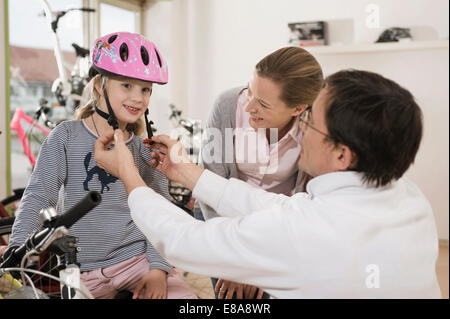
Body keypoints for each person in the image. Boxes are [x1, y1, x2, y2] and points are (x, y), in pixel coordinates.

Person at [94, 69, 441, 299]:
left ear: (341, 155)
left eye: (310, 121)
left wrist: (128, 172)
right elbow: (279, 209)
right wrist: (186, 171)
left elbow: (185, 241)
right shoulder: (410, 198)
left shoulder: (305, 234)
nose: (301, 128)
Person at [2, 32, 197, 299]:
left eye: (145, 89)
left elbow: (160, 214)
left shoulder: (145, 149)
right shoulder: (65, 137)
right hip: (80, 269)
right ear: (98, 85)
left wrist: (158, 269)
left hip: (137, 260)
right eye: (126, 85)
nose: (138, 98)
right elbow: (38, 195)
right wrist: (16, 248)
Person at [194, 46, 323, 299]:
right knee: (234, 299)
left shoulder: (314, 126)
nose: (249, 106)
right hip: (219, 215)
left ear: (297, 109)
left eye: (262, 103)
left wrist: (261, 263)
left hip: (277, 221)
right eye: (250, 90)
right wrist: (234, 262)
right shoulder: (227, 105)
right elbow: (209, 184)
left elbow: (306, 205)